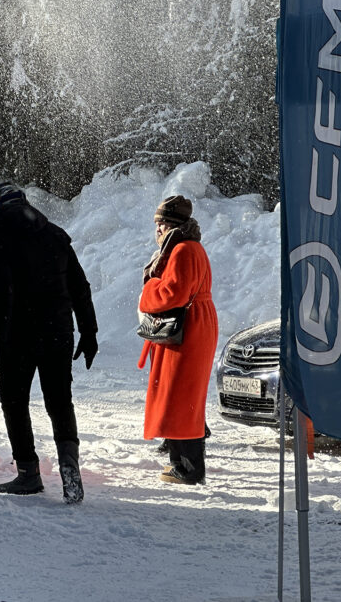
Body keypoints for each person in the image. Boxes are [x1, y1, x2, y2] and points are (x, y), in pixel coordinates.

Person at [0, 183, 98, 504]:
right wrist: (88, 332)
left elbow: (1, 292)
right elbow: (79, 286)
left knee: (15, 402)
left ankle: (28, 473)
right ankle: (69, 467)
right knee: (59, 400)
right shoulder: (54, 234)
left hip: (19, 334)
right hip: (58, 331)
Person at [138, 195, 218, 485]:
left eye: (160, 223)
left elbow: (173, 293)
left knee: (181, 398)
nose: (157, 229)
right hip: (191, 326)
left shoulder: (183, 249)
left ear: (171, 225)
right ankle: (181, 459)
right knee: (181, 396)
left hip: (188, 330)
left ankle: (188, 467)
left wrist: (147, 291)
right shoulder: (187, 246)